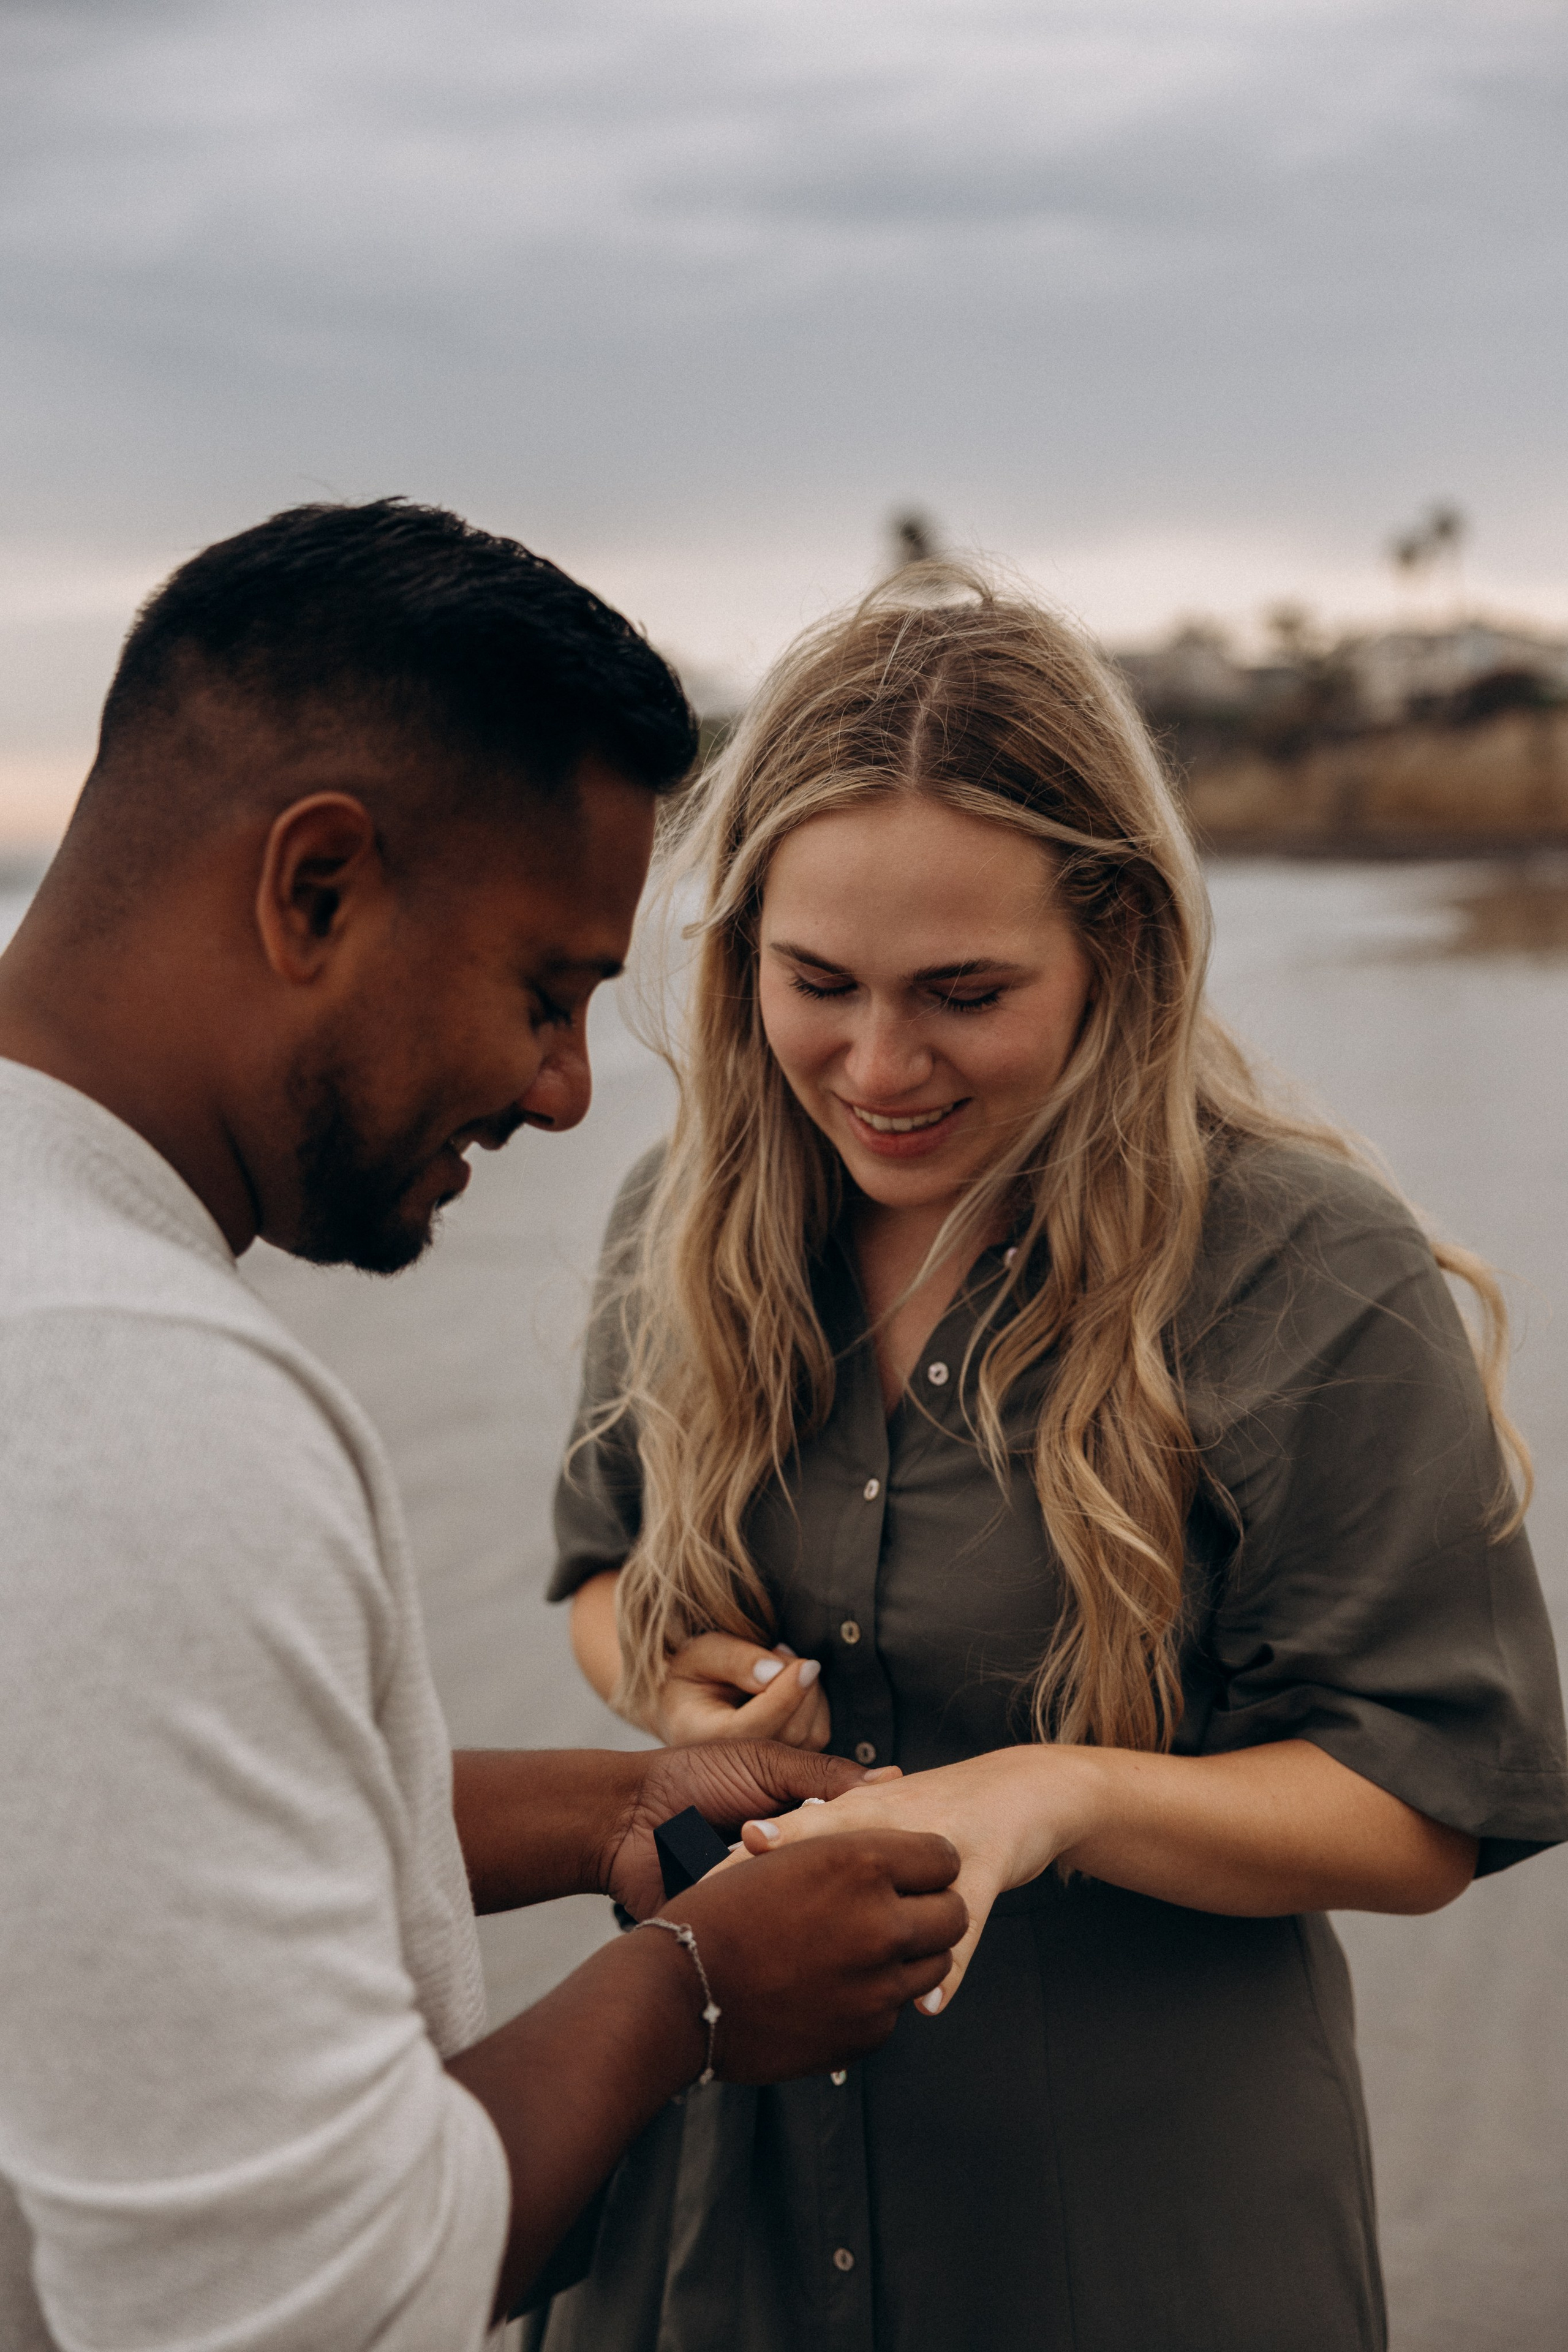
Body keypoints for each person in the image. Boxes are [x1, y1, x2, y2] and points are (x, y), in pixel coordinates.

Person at [547, 564, 1568, 2352]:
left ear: (1123, 946)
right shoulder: (679, 1219)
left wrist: (1059, 1793)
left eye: (963, 991)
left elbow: (1427, 1808)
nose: (876, 1064)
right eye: (817, 983)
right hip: (723, 2205)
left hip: (1135, 2239)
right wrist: (669, 1678)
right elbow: (600, 1576)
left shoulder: (1305, 1265)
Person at [0, 502, 969, 2352]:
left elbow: (98, 1840)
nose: (564, 1089)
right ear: (315, 890)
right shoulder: (130, 1387)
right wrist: (689, 1993)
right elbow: (296, 2303)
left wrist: (626, 1799)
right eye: (546, 990)